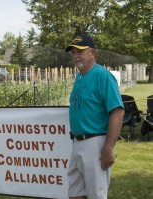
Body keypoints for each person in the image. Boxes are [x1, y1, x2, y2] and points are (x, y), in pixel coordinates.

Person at [65, 34, 124, 199]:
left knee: (96, 195)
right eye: (73, 52)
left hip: (95, 143)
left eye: (80, 51)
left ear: (92, 52)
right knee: (75, 193)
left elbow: (117, 111)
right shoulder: (80, 76)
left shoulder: (102, 76)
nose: (76, 56)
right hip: (77, 142)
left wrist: (108, 148)